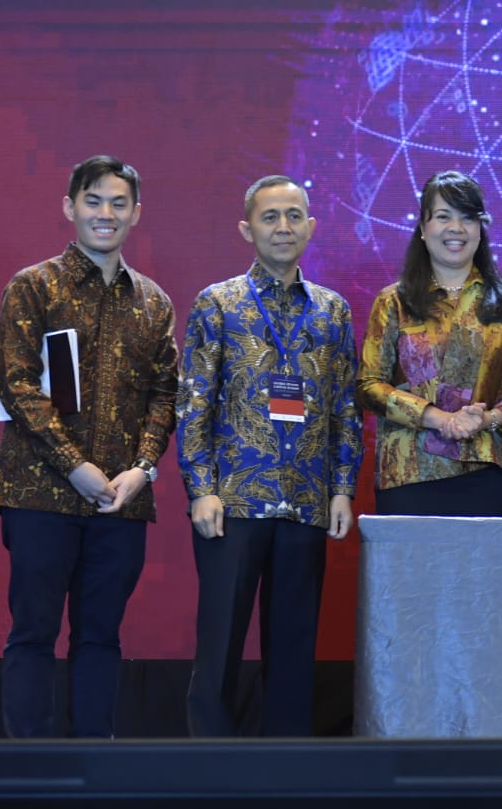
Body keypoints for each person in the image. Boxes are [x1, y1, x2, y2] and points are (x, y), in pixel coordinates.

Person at [0, 155, 178, 738]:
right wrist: (74, 466)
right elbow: (15, 384)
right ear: (70, 207)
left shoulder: (154, 302)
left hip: (119, 501)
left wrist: (142, 469)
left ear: (136, 213)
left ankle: (95, 766)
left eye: (119, 203)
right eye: (94, 201)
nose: (106, 213)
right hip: (38, 494)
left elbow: (165, 395)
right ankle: (32, 771)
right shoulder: (33, 286)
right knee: (33, 633)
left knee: (100, 638)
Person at [176, 175, 362, 737]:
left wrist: (341, 488)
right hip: (232, 502)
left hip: (306, 499)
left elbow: (345, 407)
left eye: (294, 215)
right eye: (270, 217)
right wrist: (200, 489)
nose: (284, 227)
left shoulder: (332, 311)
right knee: (220, 645)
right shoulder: (218, 303)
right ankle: (212, 765)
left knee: (294, 649)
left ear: (311, 225)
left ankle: (288, 767)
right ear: (247, 229)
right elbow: (194, 403)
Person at [357, 171, 502, 515]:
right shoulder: (393, 302)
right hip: (408, 472)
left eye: (468, 218)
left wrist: (488, 419)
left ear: (480, 229)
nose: (456, 228)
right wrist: (436, 418)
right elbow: (369, 386)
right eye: (443, 217)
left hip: (486, 471)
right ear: (423, 226)